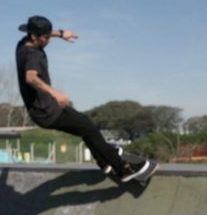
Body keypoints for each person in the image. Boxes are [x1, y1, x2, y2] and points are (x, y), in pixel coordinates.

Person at [15, 15, 149, 182]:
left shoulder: (22, 44)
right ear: (34, 36)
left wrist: (61, 33)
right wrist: (53, 91)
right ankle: (122, 169)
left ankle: (103, 162)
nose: (49, 40)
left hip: (43, 109)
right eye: (46, 38)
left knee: (85, 124)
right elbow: (30, 77)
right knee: (89, 129)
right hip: (48, 111)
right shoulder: (33, 55)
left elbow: (43, 34)